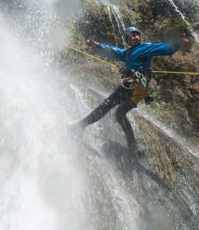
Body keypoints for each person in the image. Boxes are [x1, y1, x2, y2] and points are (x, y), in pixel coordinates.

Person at [74, 26, 190, 154]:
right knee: (119, 113)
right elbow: (114, 51)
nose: (133, 37)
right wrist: (96, 44)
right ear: (127, 40)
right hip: (136, 88)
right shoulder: (127, 53)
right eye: (130, 36)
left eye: (136, 35)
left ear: (140, 37)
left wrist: (177, 44)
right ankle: (133, 146)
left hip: (135, 83)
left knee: (106, 105)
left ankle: (80, 126)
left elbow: (163, 48)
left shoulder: (145, 48)